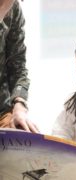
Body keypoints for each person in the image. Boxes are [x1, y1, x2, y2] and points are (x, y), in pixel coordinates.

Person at [0, 0, 38, 132]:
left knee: (28, 138)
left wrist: (20, 105)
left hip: (2, 111)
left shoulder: (13, 8)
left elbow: (17, 66)